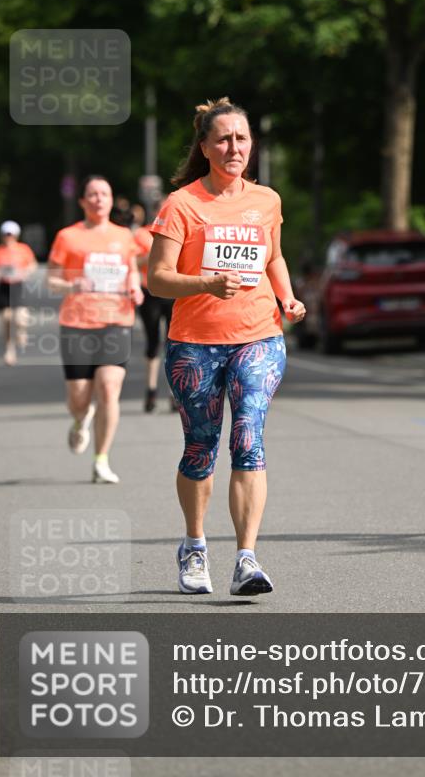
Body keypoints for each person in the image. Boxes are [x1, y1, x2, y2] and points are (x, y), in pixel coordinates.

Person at [148, 97, 306, 596]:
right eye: (223, 139)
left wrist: (287, 297)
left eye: (242, 138)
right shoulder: (182, 204)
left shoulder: (267, 200)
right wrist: (206, 283)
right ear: (205, 147)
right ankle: (195, 545)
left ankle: (246, 560)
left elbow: (273, 257)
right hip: (194, 344)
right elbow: (157, 279)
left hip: (258, 336)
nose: (234, 147)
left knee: (247, 436)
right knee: (201, 447)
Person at [48, 176, 143, 484]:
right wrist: (71, 285)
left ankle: (101, 459)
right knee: (79, 397)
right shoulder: (68, 236)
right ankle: (80, 420)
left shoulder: (123, 236)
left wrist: (135, 288)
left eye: (104, 193)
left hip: (116, 321)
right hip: (77, 323)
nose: (99, 199)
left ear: (111, 200)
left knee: (109, 388)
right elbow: (51, 280)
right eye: (92, 194)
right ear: (82, 201)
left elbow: (131, 272)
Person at [132, 202, 174, 412]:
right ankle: (151, 390)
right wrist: (153, 254)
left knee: (173, 343)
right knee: (153, 341)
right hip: (149, 292)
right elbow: (132, 262)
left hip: (174, 291)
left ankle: (174, 393)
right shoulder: (141, 234)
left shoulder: (178, 232)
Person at [0, 221, 37, 365]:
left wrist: (25, 272)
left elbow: (32, 264)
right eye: (6, 234)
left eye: (11, 234)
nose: (8, 237)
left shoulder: (23, 249)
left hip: (18, 285)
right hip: (4, 286)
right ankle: (10, 350)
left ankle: (21, 331)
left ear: (16, 235)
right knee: (7, 319)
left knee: (21, 318)